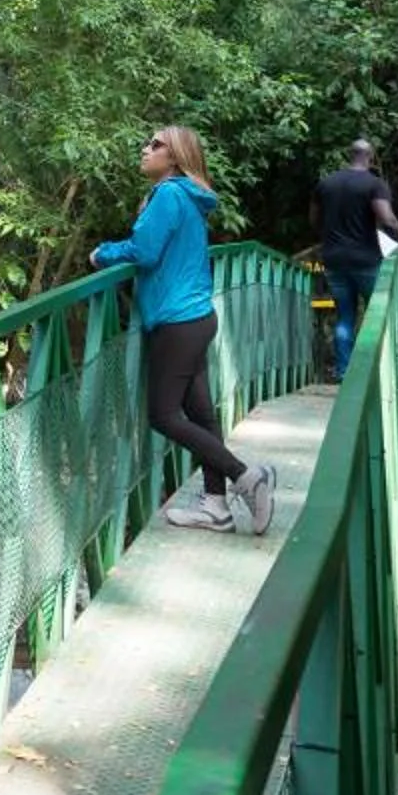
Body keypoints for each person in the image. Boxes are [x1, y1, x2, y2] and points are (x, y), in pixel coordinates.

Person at [92, 125, 278, 535]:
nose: (145, 149)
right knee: (200, 414)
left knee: (163, 414)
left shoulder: (169, 195)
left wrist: (101, 252)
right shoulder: (187, 198)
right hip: (196, 319)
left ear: (174, 157)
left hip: (177, 323)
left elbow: (143, 251)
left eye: (155, 144)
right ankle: (216, 506)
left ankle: (246, 478)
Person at [312, 139, 398, 381]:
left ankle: (344, 372)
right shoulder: (374, 185)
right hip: (366, 260)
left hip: (334, 259)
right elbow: (386, 218)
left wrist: (327, 237)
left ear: (349, 155)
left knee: (345, 316)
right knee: (377, 313)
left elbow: (313, 218)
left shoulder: (326, 183)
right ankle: (375, 370)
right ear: (370, 157)